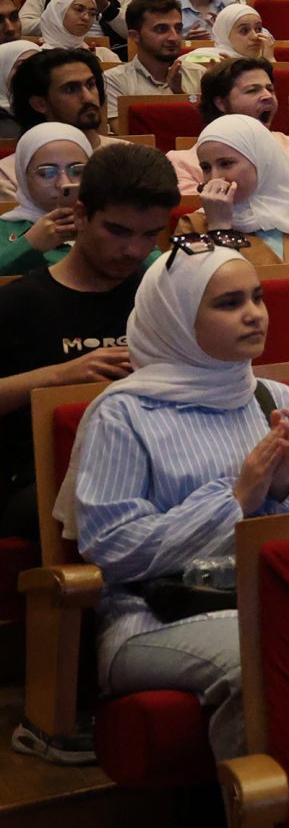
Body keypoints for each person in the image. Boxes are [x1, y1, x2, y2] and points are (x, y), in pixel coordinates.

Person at [58, 241, 289, 762]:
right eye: (229, 303)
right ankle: (257, 811)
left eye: (257, 297)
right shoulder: (124, 414)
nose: (254, 314)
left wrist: (285, 487)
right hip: (152, 617)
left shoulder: (288, 405)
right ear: (176, 320)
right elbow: (112, 550)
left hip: (279, 601)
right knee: (264, 658)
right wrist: (235, 500)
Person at [0, 143, 175, 544]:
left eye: (150, 235)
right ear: (80, 216)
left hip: (160, 464)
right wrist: (61, 375)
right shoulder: (20, 303)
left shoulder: (164, 296)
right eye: (117, 231)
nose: (134, 250)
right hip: (42, 480)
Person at [182, 115, 289, 267]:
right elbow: (201, 289)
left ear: (260, 162)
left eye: (226, 164)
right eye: (206, 168)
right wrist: (218, 228)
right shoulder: (192, 226)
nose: (215, 177)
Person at [0, 125, 87, 277]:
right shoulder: (4, 229)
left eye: (77, 171)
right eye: (47, 173)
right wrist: (30, 244)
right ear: (23, 177)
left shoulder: (107, 224)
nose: (63, 183)